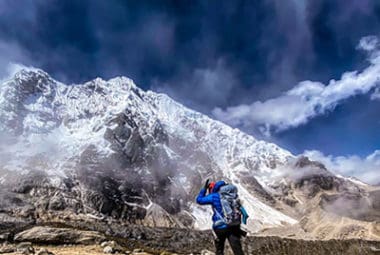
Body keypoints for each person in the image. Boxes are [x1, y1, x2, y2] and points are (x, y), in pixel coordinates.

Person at [196, 179, 248, 255]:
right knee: (238, 250)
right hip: (233, 226)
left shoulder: (214, 196)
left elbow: (199, 200)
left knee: (219, 249)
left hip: (220, 227)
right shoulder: (232, 196)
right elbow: (243, 213)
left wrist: (204, 189)